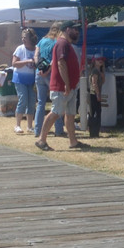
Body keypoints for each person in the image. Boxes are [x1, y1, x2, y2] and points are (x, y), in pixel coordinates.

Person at [35, 20, 86, 151]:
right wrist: (67, 85)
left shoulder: (66, 44)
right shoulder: (62, 43)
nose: (77, 32)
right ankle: (41, 140)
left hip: (69, 87)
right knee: (56, 112)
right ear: (67, 29)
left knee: (70, 114)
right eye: (75, 29)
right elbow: (60, 64)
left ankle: (73, 141)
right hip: (61, 87)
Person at [35, 23, 65, 139]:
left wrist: (40, 67)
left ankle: (37, 130)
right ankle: (58, 129)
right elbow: (54, 59)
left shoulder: (42, 40)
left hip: (38, 73)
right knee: (56, 102)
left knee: (40, 103)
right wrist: (48, 70)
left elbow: (36, 56)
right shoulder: (57, 42)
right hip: (51, 74)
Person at [11, 28, 38, 134]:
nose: (23, 39)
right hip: (20, 79)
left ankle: (30, 126)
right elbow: (14, 63)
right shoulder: (20, 49)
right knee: (23, 100)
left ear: (31, 39)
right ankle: (17, 125)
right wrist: (27, 61)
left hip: (32, 80)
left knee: (31, 102)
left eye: (25, 38)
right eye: (22, 37)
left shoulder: (36, 49)